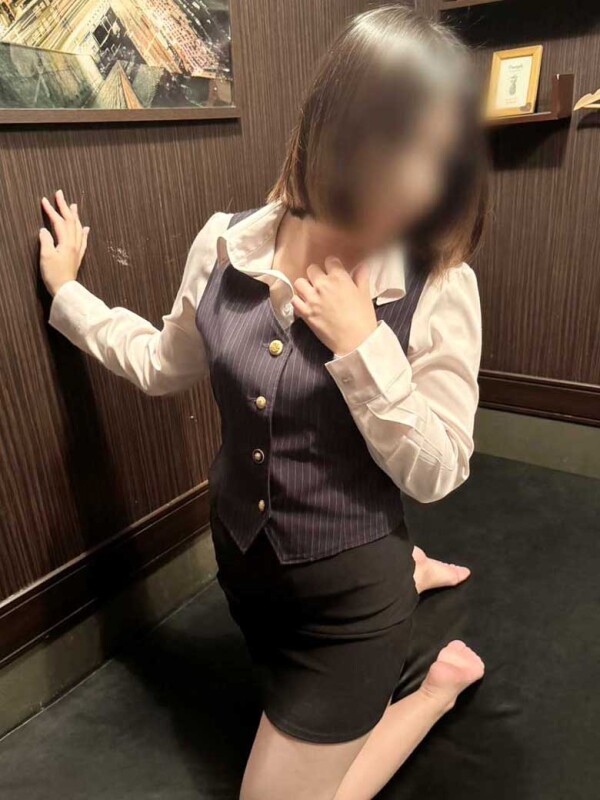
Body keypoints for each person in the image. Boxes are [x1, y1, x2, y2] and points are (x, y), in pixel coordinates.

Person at [38, 6, 488, 800]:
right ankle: (412, 575)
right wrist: (68, 294)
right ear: (334, 124)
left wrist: (363, 345)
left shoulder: (439, 286)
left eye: (440, 156)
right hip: (247, 580)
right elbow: (160, 363)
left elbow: (439, 470)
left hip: (350, 609)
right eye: (403, 145)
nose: (424, 182)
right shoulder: (225, 242)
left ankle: (432, 693)